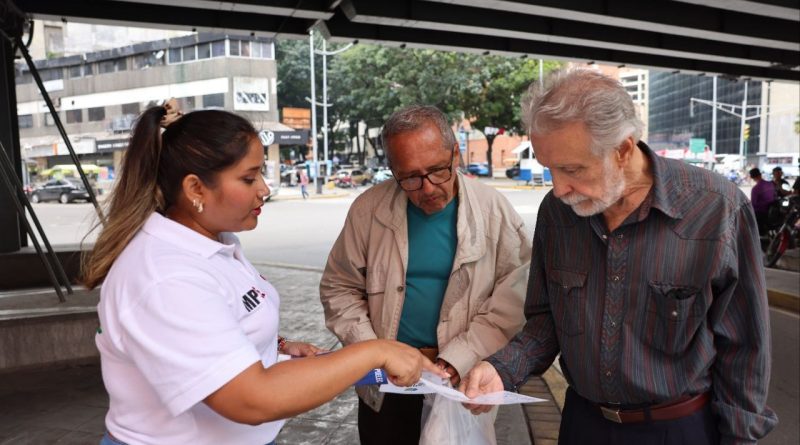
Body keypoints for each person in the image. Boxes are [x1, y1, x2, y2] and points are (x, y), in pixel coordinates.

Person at [83, 99, 445, 445]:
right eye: (249, 178)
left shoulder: (216, 245)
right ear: (195, 188)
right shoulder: (166, 276)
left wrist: (275, 347)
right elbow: (250, 399)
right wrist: (374, 352)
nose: (265, 190)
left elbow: (222, 325)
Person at [461, 70, 777, 445]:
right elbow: (546, 321)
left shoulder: (716, 209)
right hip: (583, 425)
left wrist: (740, 438)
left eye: (572, 169)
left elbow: (745, 347)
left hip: (678, 429)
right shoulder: (558, 215)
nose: (558, 188)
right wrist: (502, 369)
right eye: (550, 169)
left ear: (623, 150)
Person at [319, 105, 530, 444]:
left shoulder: (493, 210)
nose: (428, 188)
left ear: (455, 155)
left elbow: (515, 296)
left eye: (437, 171)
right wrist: (373, 352)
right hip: (386, 382)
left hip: (460, 378)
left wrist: (459, 357)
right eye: (411, 178)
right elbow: (339, 287)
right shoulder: (368, 210)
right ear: (393, 171)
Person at [749, 167, 776, 237]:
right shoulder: (770, 184)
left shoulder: (755, 189)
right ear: (760, 174)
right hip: (773, 212)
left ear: (752, 177)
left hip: (762, 214)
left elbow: (753, 204)